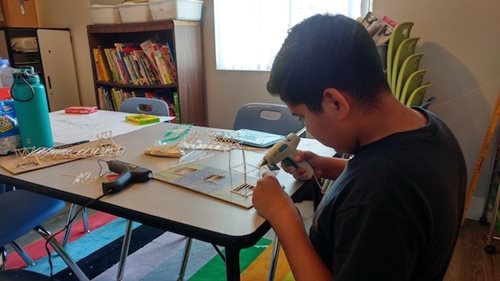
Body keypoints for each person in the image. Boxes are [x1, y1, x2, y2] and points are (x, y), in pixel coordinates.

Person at [252, 14, 466, 281]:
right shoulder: (429, 127)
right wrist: (327, 165)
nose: (303, 125)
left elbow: (378, 191)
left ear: (335, 103)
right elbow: (385, 170)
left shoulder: (378, 202)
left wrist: (282, 215)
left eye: (301, 117)